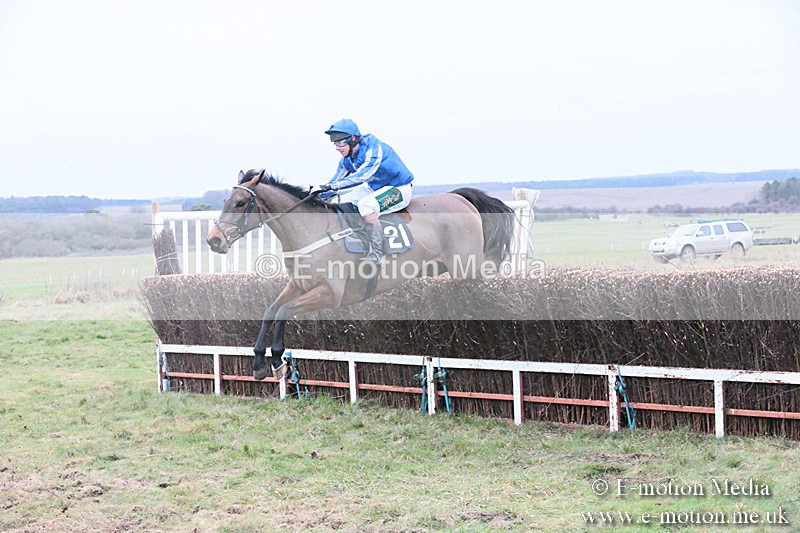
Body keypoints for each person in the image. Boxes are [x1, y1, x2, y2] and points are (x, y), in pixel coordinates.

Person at [311, 119, 414, 262]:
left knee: (366, 205)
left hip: (399, 189)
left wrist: (331, 187)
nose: (337, 148)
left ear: (353, 139)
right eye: (335, 144)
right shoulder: (347, 159)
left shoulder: (374, 149)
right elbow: (336, 181)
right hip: (373, 189)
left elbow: (362, 176)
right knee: (337, 200)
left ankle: (377, 253)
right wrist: (320, 194)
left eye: (340, 143)